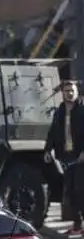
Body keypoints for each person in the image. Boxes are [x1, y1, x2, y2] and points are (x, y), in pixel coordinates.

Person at [45, 80, 84, 235]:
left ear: (77, 92)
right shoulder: (60, 111)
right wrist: (48, 150)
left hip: (80, 158)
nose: (69, 93)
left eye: (72, 90)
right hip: (66, 158)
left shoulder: (82, 110)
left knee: (81, 191)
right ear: (62, 93)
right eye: (66, 90)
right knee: (70, 193)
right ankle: (77, 226)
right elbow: (53, 132)